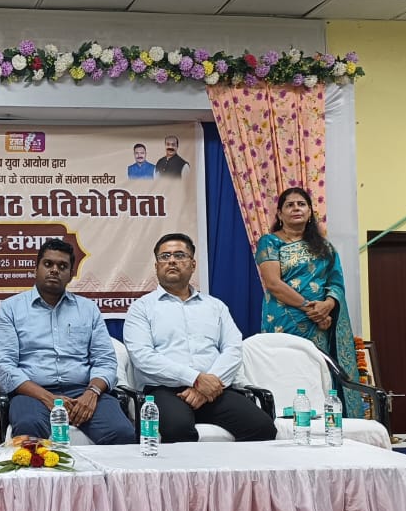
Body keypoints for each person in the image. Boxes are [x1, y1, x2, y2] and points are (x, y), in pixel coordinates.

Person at [124, 233, 277, 442]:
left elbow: (233, 349)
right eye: (165, 256)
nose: (171, 261)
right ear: (156, 266)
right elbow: (142, 357)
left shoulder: (215, 306)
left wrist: (208, 385)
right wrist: (195, 379)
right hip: (164, 390)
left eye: (179, 255)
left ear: (193, 264)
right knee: (178, 431)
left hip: (214, 389)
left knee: (263, 428)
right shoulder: (141, 308)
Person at [0, 239, 135, 445]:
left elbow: (105, 360)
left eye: (62, 266)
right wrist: (47, 398)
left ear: (71, 274)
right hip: (33, 393)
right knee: (29, 428)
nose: (54, 270)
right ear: (36, 269)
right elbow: (5, 367)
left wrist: (92, 393)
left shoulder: (88, 309)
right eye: (48, 264)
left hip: (82, 391)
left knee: (122, 432)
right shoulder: (10, 309)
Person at [255, 187, 361, 416]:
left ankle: (323, 420)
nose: (296, 208)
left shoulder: (324, 247)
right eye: (290, 205)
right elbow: (273, 283)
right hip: (284, 320)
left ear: (310, 212)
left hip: (319, 325)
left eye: (301, 204)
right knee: (285, 371)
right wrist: (309, 308)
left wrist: (328, 305)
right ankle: (285, 421)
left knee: (317, 372)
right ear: (280, 214)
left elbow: (336, 282)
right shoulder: (270, 242)